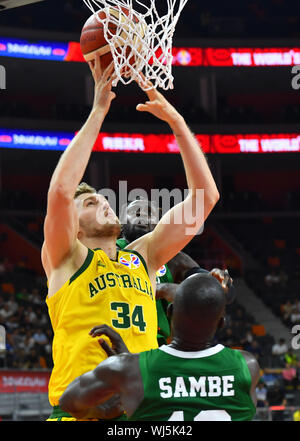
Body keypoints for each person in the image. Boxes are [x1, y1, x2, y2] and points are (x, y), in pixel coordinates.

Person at [42, 59, 220, 420]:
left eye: (103, 198)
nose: (105, 203)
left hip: (140, 412)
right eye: (91, 203)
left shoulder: (143, 255)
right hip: (81, 410)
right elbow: (61, 191)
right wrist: (99, 110)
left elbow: (205, 198)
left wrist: (177, 122)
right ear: (73, 227)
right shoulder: (66, 258)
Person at [59, 273, 260, 421]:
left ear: (170, 312)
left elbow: (68, 401)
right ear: (221, 323)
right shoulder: (248, 367)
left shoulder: (128, 369)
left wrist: (105, 410)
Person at [118, 198, 235, 345]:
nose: (143, 217)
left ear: (159, 224)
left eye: (149, 213)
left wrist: (219, 284)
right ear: (121, 223)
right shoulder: (108, 252)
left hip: (155, 346)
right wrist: (160, 289)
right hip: (115, 337)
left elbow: (225, 295)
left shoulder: (173, 258)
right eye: (136, 212)